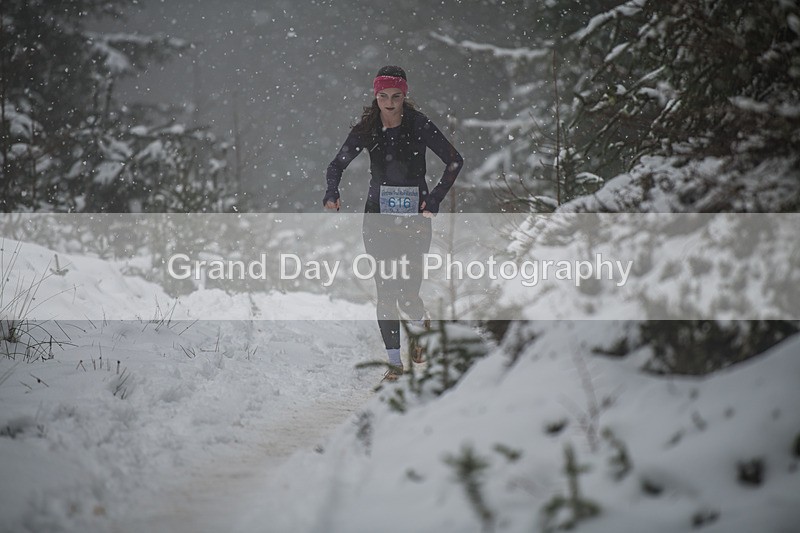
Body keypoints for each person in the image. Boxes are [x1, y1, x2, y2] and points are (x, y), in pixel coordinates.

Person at [323, 65, 463, 381]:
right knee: (385, 290)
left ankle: (419, 326)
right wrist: (332, 191)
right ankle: (394, 364)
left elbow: (455, 160)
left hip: (415, 218)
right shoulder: (368, 128)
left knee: (408, 293)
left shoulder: (418, 125)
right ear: (376, 96)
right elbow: (336, 165)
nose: (389, 103)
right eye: (383, 96)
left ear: (404, 96)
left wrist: (436, 197)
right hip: (377, 218)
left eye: (395, 96)